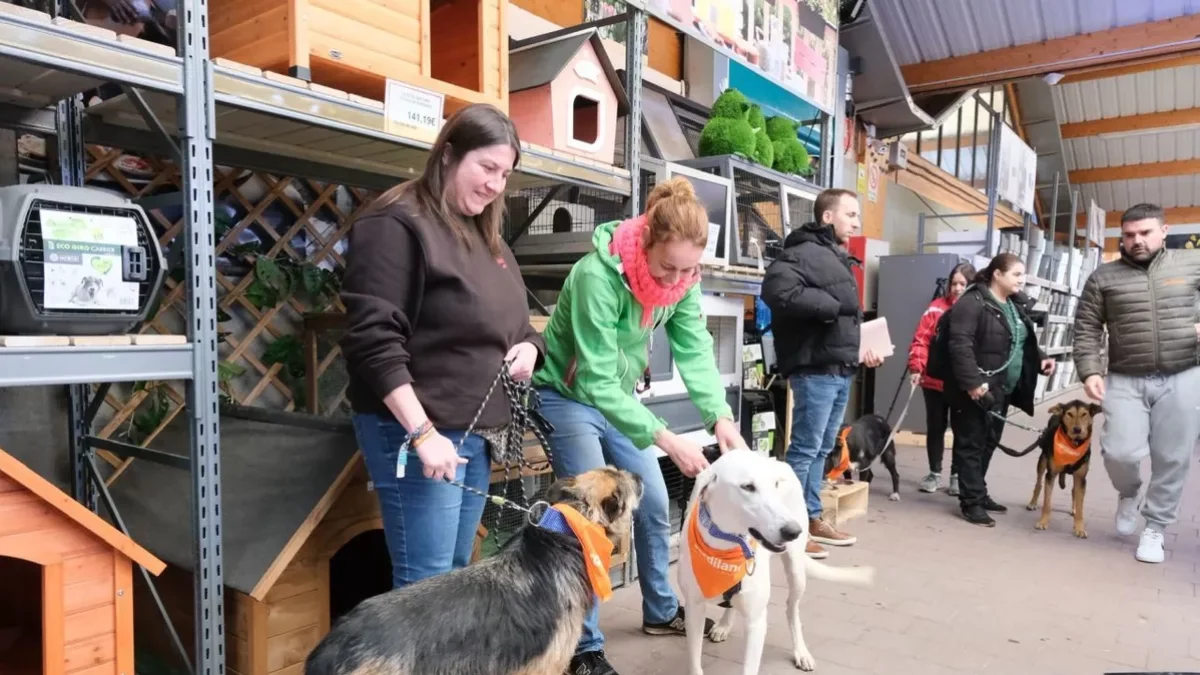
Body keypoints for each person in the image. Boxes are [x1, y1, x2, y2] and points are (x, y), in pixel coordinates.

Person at [533, 177, 744, 675]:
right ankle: (583, 647)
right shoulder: (595, 277)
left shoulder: (681, 281)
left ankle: (659, 610)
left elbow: (695, 349)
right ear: (645, 241)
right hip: (567, 396)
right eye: (669, 266)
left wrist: (721, 418)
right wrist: (667, 438)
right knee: (592, 518)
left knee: (650, 498)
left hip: (618, 400)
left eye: (688, 269)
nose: (676, 280)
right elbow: (597, 380)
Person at [339, 104, 545, 590]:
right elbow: (372, 341)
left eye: (505, 174)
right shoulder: (396, 223)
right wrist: (423, 432)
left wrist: (531, 349)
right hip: (421, 431)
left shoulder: (487, 236)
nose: (496, 184)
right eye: (487, 167)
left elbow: (520, 325)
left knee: (452, 577)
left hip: (474, 435)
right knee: (425, 586)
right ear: (449, 155)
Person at [761, 188, 886, 560]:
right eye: (850, 214)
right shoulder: (803, 252)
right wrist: (828, 307)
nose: (856, 221)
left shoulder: (836, 256)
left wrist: (860, 349)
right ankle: (791, 528)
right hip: (816, 370)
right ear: (828, 217)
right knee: (804, 449)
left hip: (838, 367)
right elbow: (775, 289)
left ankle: (811, 517)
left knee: (820, 448)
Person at [1073, 202, 1200, 564]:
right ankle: (1128, 491)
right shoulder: (1103, 278)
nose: (1137, 241)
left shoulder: (1191, 263)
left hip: (1184, 373)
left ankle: (1155, 528)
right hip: (1126, 376)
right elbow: (1086, 328)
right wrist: (1091, 370)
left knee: (1172, 457)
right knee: (1119, 452)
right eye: (1129, 235)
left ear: (1163, 230)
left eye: (1145, 233)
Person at [942, 253, 1054, 527]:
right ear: (997, 275)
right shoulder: (972, 303)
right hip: (974, 390)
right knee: (971, 444)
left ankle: (978, 492)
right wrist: (972, 383)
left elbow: (1019, 339)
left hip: (1001, 389)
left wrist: (1040, 359)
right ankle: (971, 503)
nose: (1021, 280)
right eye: (1016, 274)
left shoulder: (1014, 305)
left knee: (988, 442)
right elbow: (959, 346)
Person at [908, 262, 975, 496]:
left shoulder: (977, 310)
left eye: (963, 284)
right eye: (954, 283)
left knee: (960, 428)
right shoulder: (935, 309)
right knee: (935, 427)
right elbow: (921, 340)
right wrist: (916, 368)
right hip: (933, 382)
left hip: (962, 385)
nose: (957, 288)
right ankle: (934, 473)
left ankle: (956, 476)